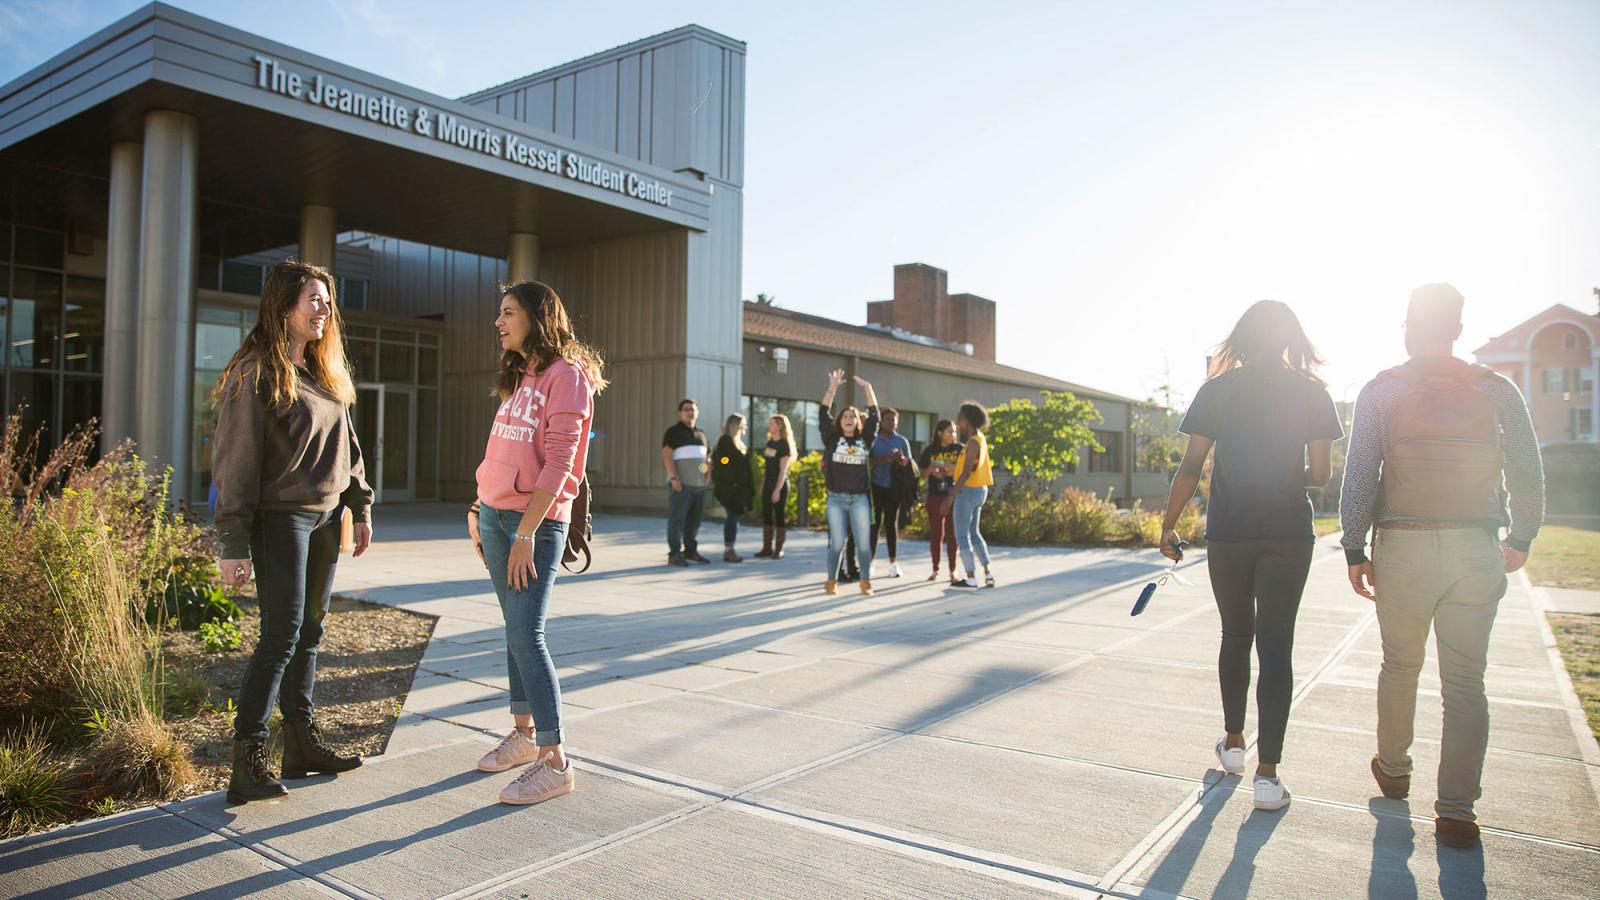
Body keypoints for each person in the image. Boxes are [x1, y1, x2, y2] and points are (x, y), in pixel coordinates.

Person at [1340, 283, 1544, 848]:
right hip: (1476, 546)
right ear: (1458, 329)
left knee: (1399, 667)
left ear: (1407, 327)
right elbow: (1527, 468)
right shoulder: (1497, 390)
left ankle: (1395, 768)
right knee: (1465, 682)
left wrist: (1354, 547)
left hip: (1401, 546)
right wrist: (1522, 535)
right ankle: (1456, 811)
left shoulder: (1382, 390)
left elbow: (1360, 474)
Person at [1159, 299, 1343, 813]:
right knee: (1277, 646)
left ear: (1242, 337)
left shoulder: (1218, 391)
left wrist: (1169, 524)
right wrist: (1282, 476)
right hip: (1287, 531)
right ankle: (1268, 778)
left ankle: (1234, 744)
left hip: (1231, 532)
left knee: (1235, 636)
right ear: (1289, 338)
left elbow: (1191, 465)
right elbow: (1322, 474)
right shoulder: (1312, 393)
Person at [212, 259, 373, 805]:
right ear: (283, 307)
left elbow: (348, 450)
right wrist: (232, 541)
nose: (323, 309)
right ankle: (248, 761)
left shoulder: (326, 374)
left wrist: (361, 506)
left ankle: (301, 746)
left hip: (326, 519)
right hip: (282, 519)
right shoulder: (257, 371)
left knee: (310, 632)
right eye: (313, 299)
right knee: (280, 636)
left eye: (327, 300)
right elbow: (236, 463)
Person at [467, 280, 604, 806]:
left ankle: (556, 761)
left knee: (529, 635)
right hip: (498, 517)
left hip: (535, 524)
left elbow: (562, 461)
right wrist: (479, 508)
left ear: (536, 316)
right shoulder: (521, 377)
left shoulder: (566, 377)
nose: (498, 322)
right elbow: (502, 449)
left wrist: (526, 531)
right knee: (513, 630)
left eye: (507, 313)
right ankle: (524, 736)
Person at [819, 369, 879, 595]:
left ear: (857, 422)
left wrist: (867, 388)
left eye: (852, 416)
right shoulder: (832, 439)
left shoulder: (865, 440)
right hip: (836, 499)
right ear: (840, 422)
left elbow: (875, 416)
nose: (849, 419)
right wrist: (832, 388)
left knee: (863, 545)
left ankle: (864, 581)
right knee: (836, 544)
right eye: (844, 416)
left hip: (860, 500)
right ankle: (831, 581)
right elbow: (823, 413)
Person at [944, 401, 995, 590]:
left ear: (969, 420)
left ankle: (971, 577)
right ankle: (988, 574)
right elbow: (970, 469)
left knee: (961, 535)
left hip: (967, 492)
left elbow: (966, 474)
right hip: (979, 490)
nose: (958, 421)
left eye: (960, 417)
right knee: (974, 533)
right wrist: (951, 471)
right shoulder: (979, 439)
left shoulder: (973, 442)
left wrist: (949, 498)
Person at [661, 399, 711, 566]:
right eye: (687, 409)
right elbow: (667, 456)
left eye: (693, 409)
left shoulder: (702, 435)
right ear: (680, 413)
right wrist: (674, 478)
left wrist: (708, 476)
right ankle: (674, 554)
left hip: (699, 486)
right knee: (677, 520)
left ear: (697, 413)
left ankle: (690, 551)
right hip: (681, 486)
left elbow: (707, 458)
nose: (690, 412)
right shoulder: (673, 432)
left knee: (694, 522)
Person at [869, 409, 914, 578]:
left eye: (893, 420)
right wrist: (885, 459)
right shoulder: (874, 440)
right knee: (874, 525)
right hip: (876, 486)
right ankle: (870, 562)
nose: (890, 422)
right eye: (887, 419)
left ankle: (894, 563)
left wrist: (901, 460)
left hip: (894, 488)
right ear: (882, 421)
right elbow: (867, 462)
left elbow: (909, 464)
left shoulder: (902, 441)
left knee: (891, 524)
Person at [918, 419, 962, 583]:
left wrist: (950, 471)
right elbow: (922, 474)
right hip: (935, 495)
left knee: (953, 534)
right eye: (949, 431)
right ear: (939, 433)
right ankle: (935, 569)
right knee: (937, 534)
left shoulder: (959, 449)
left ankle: (953, 571)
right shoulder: (930, 451)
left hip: (954, 495)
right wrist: (931, 469)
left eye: (955, 432)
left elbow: (967, 471)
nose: (953, 435)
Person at [711, 414, 755, 562]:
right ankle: (729, 550)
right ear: (735, 426)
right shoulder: (725, 442)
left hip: (739, 489)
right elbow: (722, 461)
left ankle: (730, 548)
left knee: (734, 517)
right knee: (732, 517)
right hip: (730, 489)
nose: (744, 428)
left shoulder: (739, 443)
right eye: (742, 425)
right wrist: (730, 477)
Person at [754, 414, 796, 559]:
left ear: (779, 426)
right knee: (766, 515)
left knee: (779, 515)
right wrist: (763, 485)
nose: (769, 426)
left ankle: (779, 548)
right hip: (769, 483)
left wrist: (777, 490)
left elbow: (783, 471)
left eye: (772, 423)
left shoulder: (784, 445)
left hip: (780, 484)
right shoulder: (770, 443)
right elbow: (767, 467)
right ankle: (766, 548)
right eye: (769, 423)